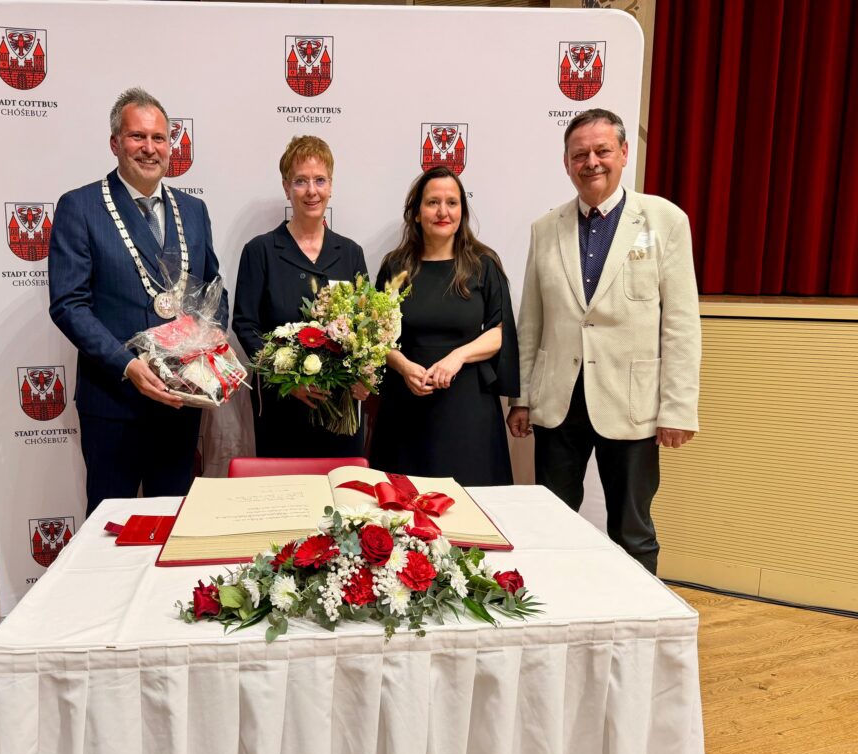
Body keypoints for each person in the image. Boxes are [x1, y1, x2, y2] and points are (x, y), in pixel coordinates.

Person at [507, 108, 700, 574]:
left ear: (623, 153)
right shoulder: (545, 228)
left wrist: (677, 408)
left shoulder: (664, 221)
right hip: (559, 403)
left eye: (601, 151)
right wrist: (522, 397)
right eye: (580, 154)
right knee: (549, 526)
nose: (591, 162)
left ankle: (638, 629)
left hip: (632, 404)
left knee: (633, 530)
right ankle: (553, 618)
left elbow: (680, 324)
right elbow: (530, 321)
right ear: (567, 163)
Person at [49, 87, 227, 516]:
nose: (149, 148)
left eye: (159, 138)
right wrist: (126, 365)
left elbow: (212, 292)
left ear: (171, 146)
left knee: (173, 521)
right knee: (109, 527)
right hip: (114, 400)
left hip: (180, 402)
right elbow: (69, 304)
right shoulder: (81, 207)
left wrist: (203, 348)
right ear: (115, 143)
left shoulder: (194, 210)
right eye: (137, 137)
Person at [369, 166, 519, 486]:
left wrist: (458, 357)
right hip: (406, 405)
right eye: (433, 202)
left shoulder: (484, 264)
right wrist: (404, 366)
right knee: (401, 514)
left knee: (472, 508)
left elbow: (501, 331)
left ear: (462, 211)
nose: (442, 211)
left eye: (452, 202)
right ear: (416, 212)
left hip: (468, 409)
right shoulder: (395, 266)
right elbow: (376, 337)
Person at [233, 136, 369, 457]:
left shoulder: (351, 253)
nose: (311, 190)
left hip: (340, 411)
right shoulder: (261, 251)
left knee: (340, 495)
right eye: (301, 181)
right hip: (282, 407)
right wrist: (287, 378)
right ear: (286, 187)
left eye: (320, 180)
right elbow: (245, 324)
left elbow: (364, 327)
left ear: (331, 186)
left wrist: (366, 374)